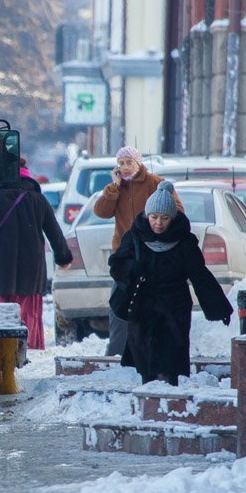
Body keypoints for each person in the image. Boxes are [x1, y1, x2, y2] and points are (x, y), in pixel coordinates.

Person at [108, 180, 232, 386]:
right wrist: (132, 269)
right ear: (147, 215)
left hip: (174, 309)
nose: (158, 223)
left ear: (172, 218)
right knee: (144, 362)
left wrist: (219, 308)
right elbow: (116, 265)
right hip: (143, 308)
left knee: (171, 363)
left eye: (164, 218)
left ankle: (170, 402)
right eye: (154, 217)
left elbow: (200, 276)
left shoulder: (184, 241)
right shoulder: (135, 236)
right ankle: (147, 401)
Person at [91, 146, 184, 357]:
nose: (124, 168)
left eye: (128, 163)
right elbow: (101, 212)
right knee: (120, 302)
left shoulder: (155, 183)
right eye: (121, 163)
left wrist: (158, 225)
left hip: (154, 253)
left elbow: (177, 211)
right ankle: (117, 351)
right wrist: (113, 188)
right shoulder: (117, 188)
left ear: (138, 163)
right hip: (125, 257)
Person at [0, 157, 72, 349]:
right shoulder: (39, 200)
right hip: (31, 270)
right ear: (27, 175)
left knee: (0, 310)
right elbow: (54, 232)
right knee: (27, 310)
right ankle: (28, 344)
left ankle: (2, 347)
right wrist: (63, 257)